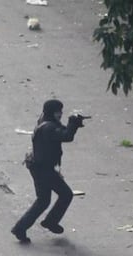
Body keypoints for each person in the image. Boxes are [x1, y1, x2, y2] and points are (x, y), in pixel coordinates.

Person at [11, 99, 85, 243]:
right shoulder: (48, 128)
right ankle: (48, 222)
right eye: (59, 111)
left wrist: (74, 124)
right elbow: (66, 136)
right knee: (65, 194)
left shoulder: (45, 120)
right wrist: (73, 124)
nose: (61, 114)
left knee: (43, 200)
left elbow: (62, 131)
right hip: (43, 169)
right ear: (53, 112)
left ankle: (21, 228)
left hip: (40, 166)